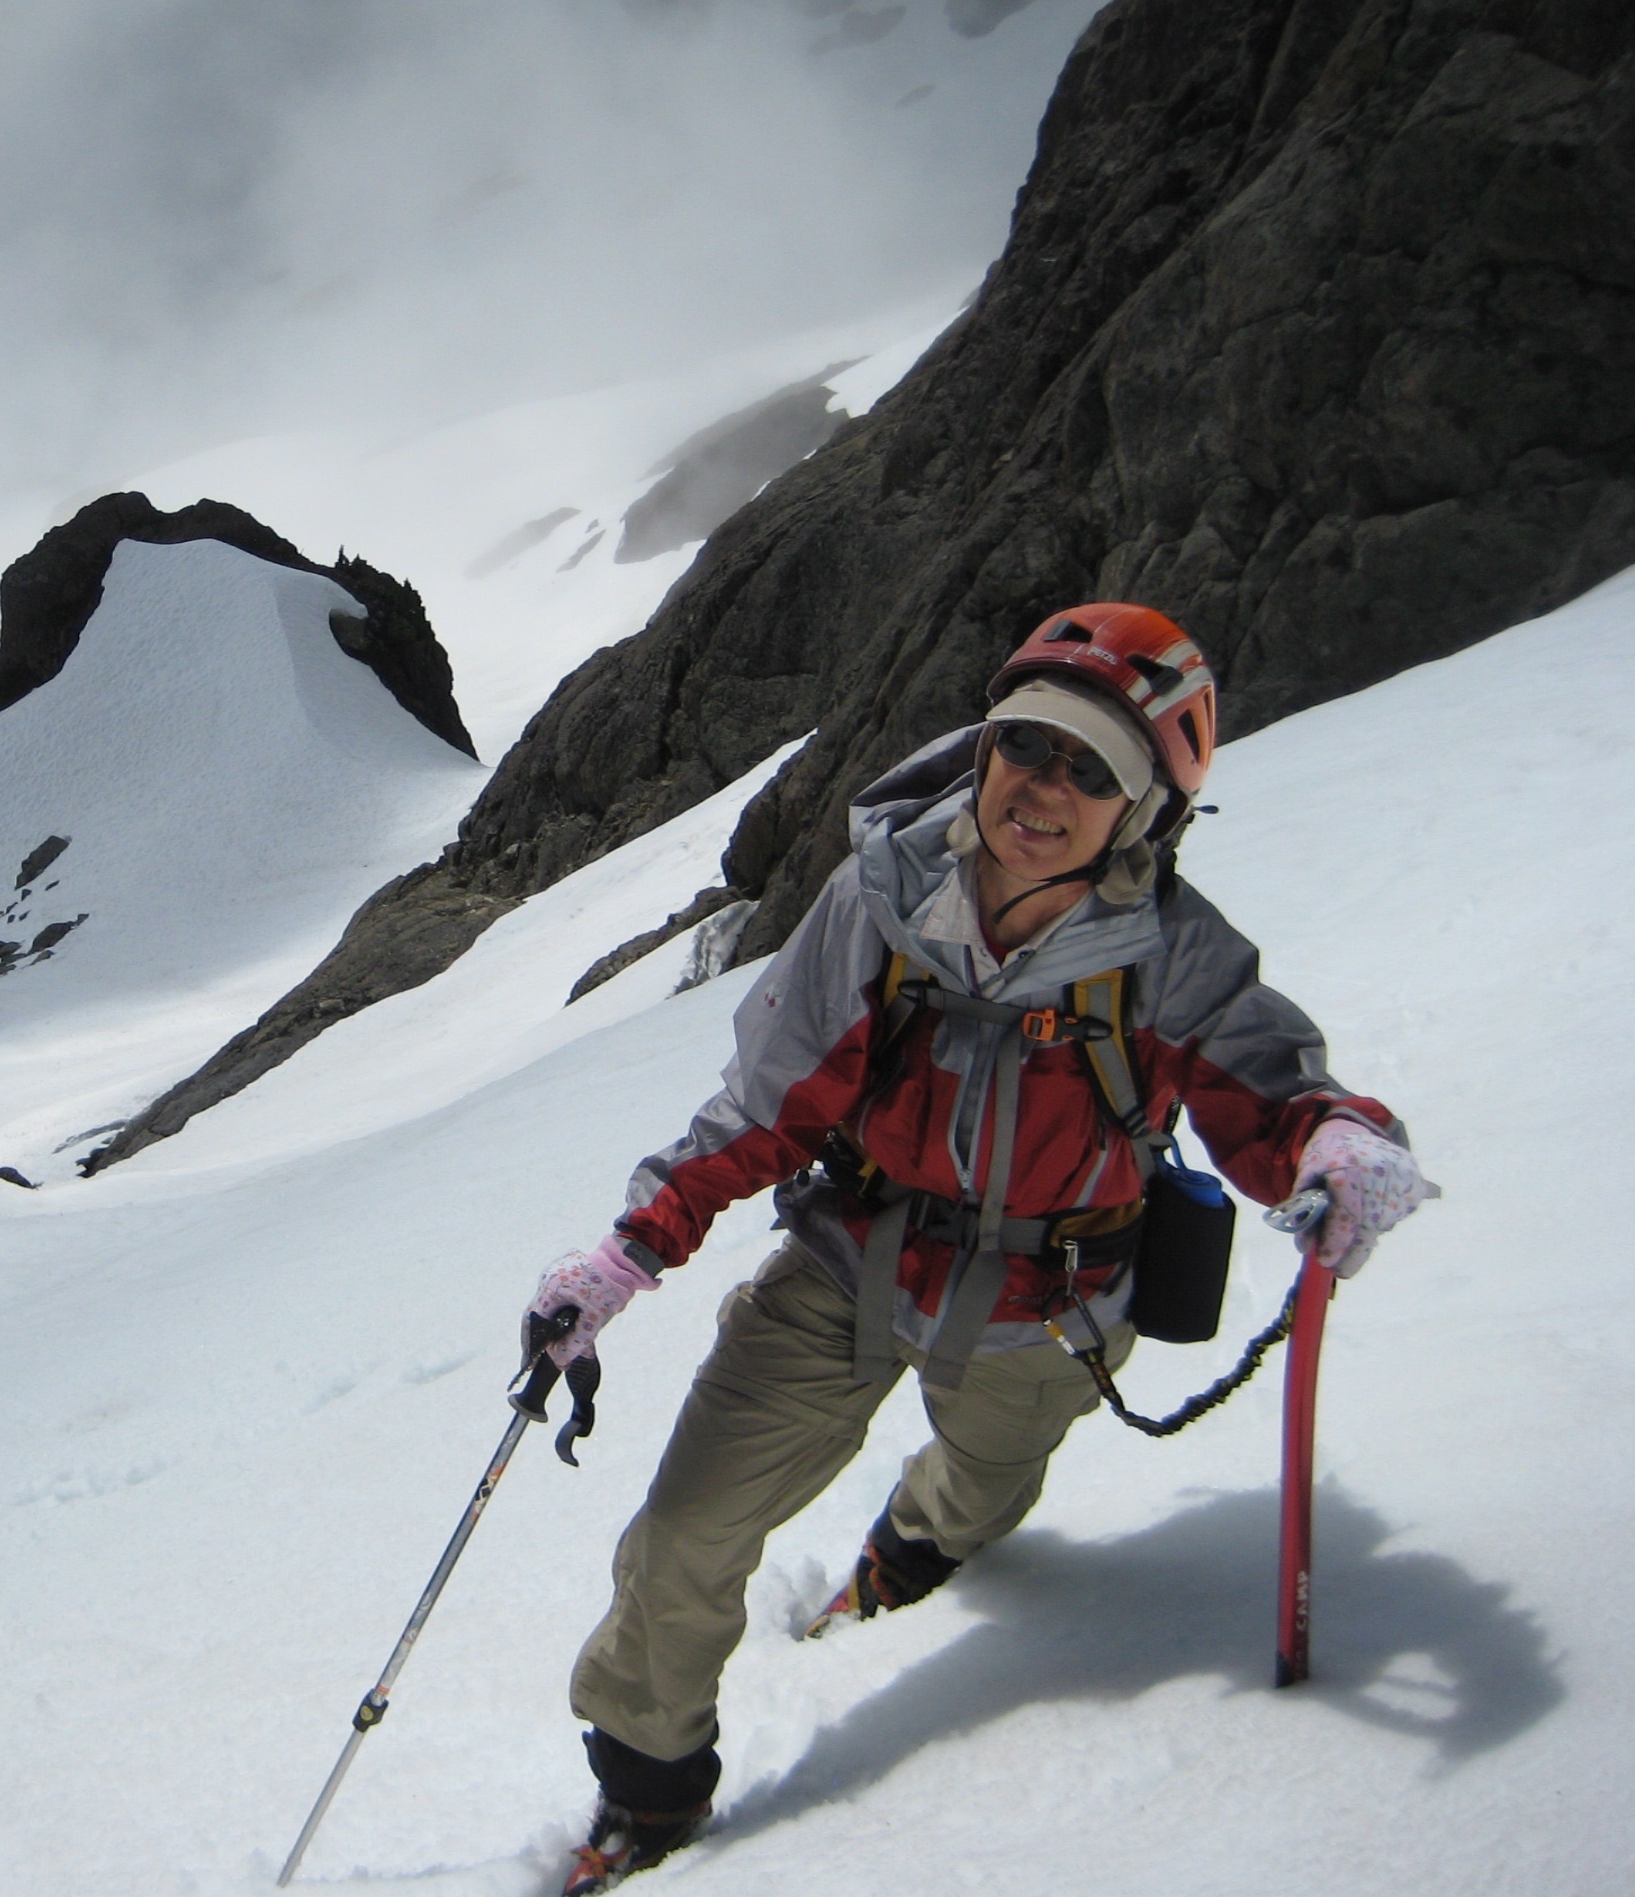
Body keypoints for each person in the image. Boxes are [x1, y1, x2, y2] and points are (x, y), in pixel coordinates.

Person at [523, 604, 1433, 1895]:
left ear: (1148, 809)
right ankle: (649, 1785)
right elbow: (768, 1108)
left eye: (1091, 769)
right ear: (984, 745)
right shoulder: (880, 904)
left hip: (1050, 1304)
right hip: (847, 1261)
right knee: (681, 1539)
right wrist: (630, 1252)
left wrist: (1340, 1145)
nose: (1044, 787)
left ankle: (914, 1549)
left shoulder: (1173, 962)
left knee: (984, 1481)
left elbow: (1277, 1100)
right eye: (1027, 745)